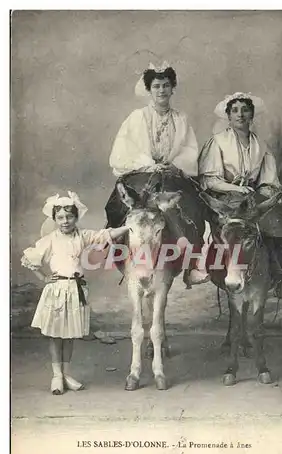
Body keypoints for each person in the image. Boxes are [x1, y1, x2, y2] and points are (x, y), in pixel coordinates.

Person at [198, 92, 282, 300]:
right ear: (228, 116)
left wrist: (263, 194)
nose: (240, 115)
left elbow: (269, 181)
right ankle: (204, 267)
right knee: (239, 225)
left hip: (251, 197)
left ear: (252, 114)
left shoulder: (261, 146)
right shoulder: (217, 142)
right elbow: (210, 180)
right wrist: (235, 189)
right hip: (224, 197)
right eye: (235, 110)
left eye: (245, 110)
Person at [106, 62, 209, 287]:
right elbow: (123, 151)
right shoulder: (137, 117)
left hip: (172, 174)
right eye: (156, 86)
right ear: (149, 90)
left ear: (172, 88)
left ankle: (193, 262)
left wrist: (174, 165)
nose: (161, 90)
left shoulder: (181, 119)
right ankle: (118, 251)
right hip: (141, 173)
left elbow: (189, 149)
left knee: (192, 204)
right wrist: (147, 164)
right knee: (117, 204)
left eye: (165, 85)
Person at [21, 191, 128, 395]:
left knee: (69, 335)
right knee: (55, 335)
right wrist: (44, 278)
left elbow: (105, 234)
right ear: (54, 219)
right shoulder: (50, 239)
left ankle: (67, 374)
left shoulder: (82, 236)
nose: (65, 221)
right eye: (60, 217)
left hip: (75, 289)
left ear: (76, 217)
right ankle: (56, 376)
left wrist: (130, 226)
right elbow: (31, 258)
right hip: (57, 290)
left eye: (69, 217)